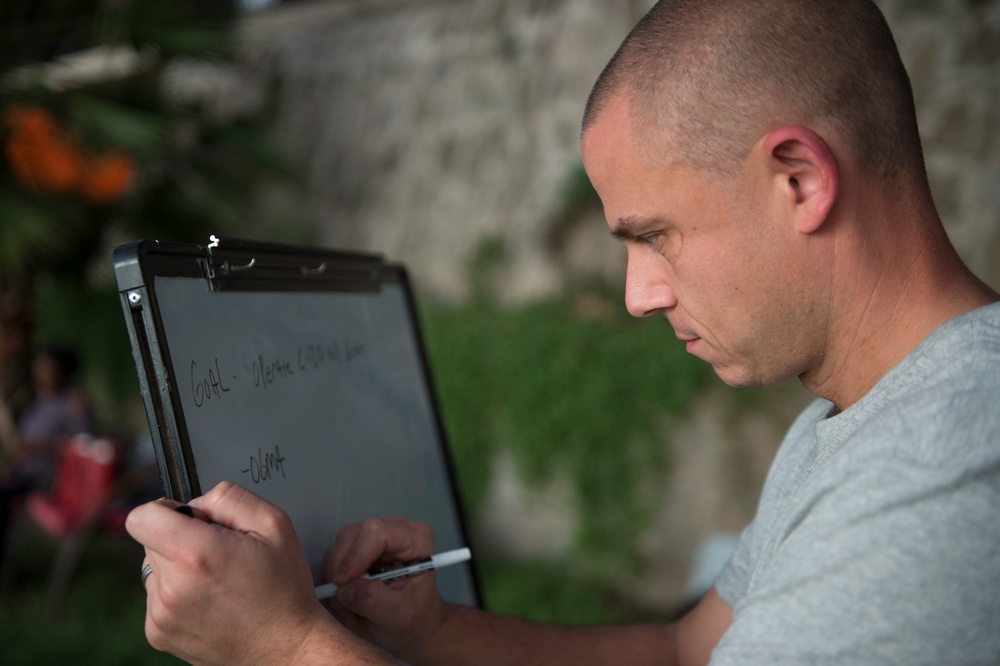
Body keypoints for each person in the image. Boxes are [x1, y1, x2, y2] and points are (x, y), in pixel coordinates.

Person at [125, 0, 1000, 663]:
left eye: (654, 235)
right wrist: (436, 629)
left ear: (800, 180)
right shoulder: (847, 424)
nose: (637, 295)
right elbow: (680, 652)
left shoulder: (947, 464)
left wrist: (286, 646)